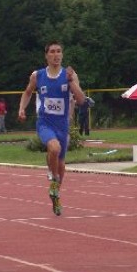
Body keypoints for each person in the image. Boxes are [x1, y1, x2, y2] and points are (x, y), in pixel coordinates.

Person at [18, 41, 86, 216]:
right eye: (53, 52)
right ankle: (51, 173)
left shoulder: (70, 75)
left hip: (62, 125)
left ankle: (55, 191)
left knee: (61, 164)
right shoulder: (38, 75)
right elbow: (27, 93)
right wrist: (22, 108)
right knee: (53, 147)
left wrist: (72, 82)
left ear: (62, 55)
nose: (56, 55)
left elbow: (80, 100)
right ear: (46, 55)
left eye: (59, 51)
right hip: (45, 122)